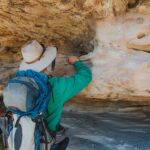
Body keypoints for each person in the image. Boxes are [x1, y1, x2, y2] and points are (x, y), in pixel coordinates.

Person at [19, 40, 92, 150]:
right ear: (46, 64)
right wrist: (77, 62)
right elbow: (85, 77)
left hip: (22, 138)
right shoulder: (55, 85)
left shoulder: (18, 81)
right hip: (45, 141)